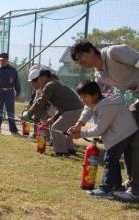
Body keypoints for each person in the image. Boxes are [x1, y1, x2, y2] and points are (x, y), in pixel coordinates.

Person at [70, 39, 139, 202]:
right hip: (132, 97)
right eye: (77, 61)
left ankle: (136, 188)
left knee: (135, 141)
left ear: (90, 51)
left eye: (80, 58)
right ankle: (131, 182)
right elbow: (93, 101)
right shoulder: (99, 76)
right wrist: (80, 123)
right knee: (128, 140)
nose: (80, 63)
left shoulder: (114, 52)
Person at [26, 67, 83, 157]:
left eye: (35, 81)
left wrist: (29, 113)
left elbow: (40, 102)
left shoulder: (50, 85)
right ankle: (70, 149)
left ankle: (61, 152)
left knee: (56, 128)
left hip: (73, 110)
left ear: (43, 78)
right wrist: (53, 118)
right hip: (75, 109)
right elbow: (62, 107)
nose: (33, 84)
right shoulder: (53, 83)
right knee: (65, 129)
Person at [0, 53, 21, 135]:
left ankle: (13, 130)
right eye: (1, 60)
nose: (2, 62)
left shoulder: (13, 70)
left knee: (10, 111)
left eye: (4, 60)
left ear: (7, 60)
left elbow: (17, 82)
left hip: (9, 92)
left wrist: (18, 93)